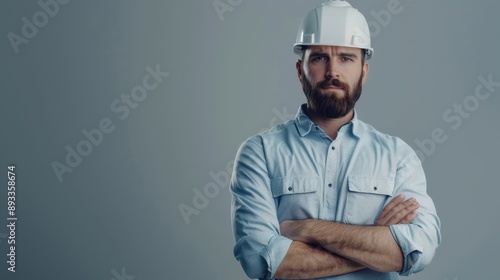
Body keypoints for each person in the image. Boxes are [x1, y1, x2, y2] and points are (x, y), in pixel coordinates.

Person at [230, 0, 441, 279]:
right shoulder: (260, 153)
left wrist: (308, 230)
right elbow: (261, 261)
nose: (332, 72)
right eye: (319, 58)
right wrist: (376, 245)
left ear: (363, 71)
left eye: (346, 57)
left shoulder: (397, 157)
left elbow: (419, 250)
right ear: (299, 69)